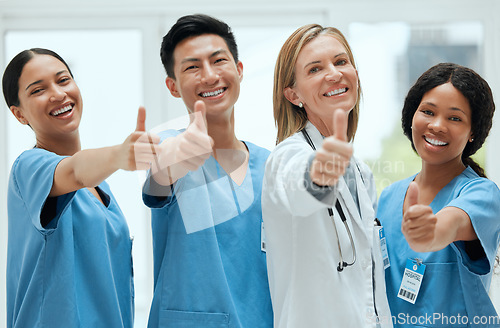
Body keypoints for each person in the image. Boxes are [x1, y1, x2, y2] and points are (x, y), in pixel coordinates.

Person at [2, 48, 159, 328]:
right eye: (38, 90)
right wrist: (121, 155)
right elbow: (74, 170)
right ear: (19, 114)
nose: (58, 94)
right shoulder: (29, 168)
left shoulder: (100, 188)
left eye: (63, 80)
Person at [142, 14, 273, 328]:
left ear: (239, 71)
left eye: (219, 61)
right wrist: (173, 157)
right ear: (172, 86)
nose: (210, 75)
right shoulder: (171, 149)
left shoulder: (271, 165)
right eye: (192, 67)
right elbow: (159, 177)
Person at [262, 24, 393, 327]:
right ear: (294, 95)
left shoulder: (360, 173)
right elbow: (297, 188)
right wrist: (318, 176)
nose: (333, 73)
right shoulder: (286, 157)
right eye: (315, 69)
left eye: (341, 61)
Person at [377, 63, 500, 327]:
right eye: (428, 112)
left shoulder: (482, 194)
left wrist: (432, 234)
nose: (437, 125)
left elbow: (452, 222)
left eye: (454, 118)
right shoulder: (388, 198)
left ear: (473, 132)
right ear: (412, 116)